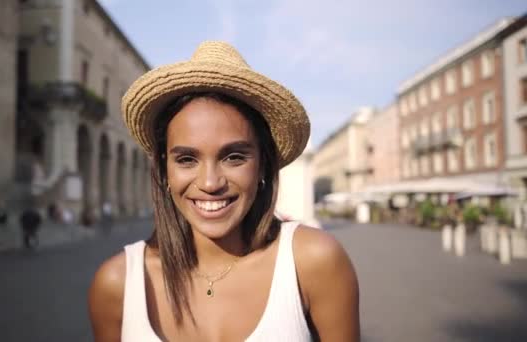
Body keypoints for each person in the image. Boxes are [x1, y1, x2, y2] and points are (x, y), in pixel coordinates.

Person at [88, 41, 359, 341]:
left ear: (263, 166)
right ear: (165, 170)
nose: (210, 183)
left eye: (234, 157)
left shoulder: (314, 262)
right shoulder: (116, 284)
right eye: (187, 159)